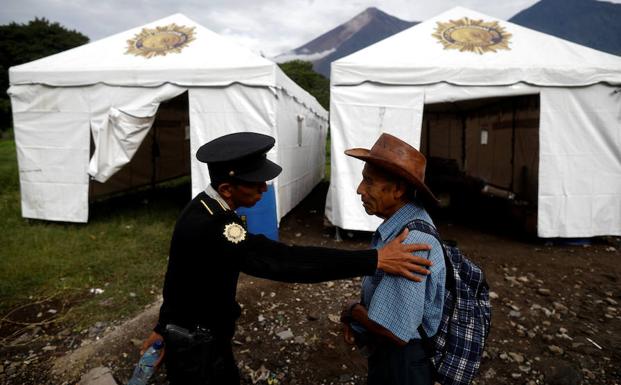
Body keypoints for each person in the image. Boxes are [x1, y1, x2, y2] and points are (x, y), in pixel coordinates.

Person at [140, 132, 435, 385]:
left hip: (202, 337)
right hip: (197, 347)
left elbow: (178, 277)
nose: (264, 189)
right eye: (255, 184)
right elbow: (283, 261)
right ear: (227, 189)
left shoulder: (205, 209)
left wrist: (162, 327)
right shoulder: (212, 225)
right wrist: (374, 260)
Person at [339, 133, 446, 385]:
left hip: (403, 364)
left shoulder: (411, 240)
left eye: (369, 181)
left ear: (398, 189)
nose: (359, 189)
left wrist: (352, 311)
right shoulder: (400, 227)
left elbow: (394, 331)